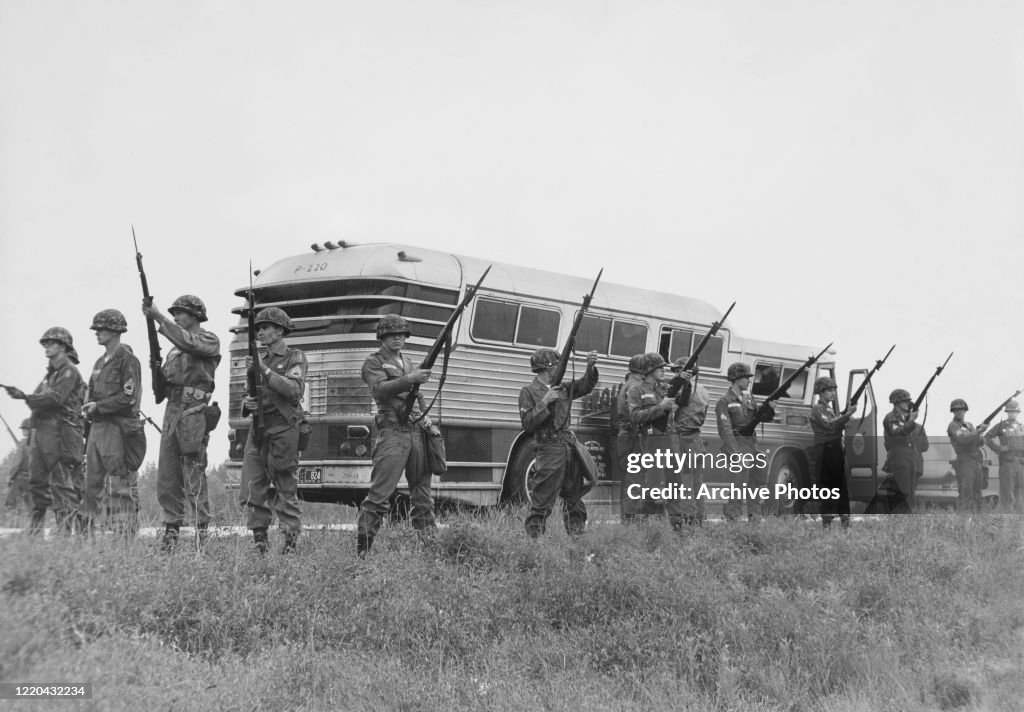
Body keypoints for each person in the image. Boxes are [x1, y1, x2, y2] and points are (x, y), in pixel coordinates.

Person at [356, 315, 441, 556]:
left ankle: (430, 551)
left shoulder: (408, 361)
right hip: (393, 431)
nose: (398, 338)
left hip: (416, 431)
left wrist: (425, 415)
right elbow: (380, 390)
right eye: (393, 334)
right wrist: (410, 379)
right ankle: (362, 553)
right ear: (382, 336)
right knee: (380, 495)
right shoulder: (373, 362)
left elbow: (418, 394)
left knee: (423, 497)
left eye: (402, 334)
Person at [142, 294, 221, 550]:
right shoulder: (175, 349)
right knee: (167, 476)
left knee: (194, 475)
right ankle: (170, 533)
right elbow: (166, 382)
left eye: (181, 312)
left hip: (193, 412)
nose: (176, 316)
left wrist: (159, 319)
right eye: (173, 313)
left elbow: (191, 344)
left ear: (196, 315)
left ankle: (202, 537)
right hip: (172, 412)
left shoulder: (208, 339)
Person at [3, 327, 86, 535]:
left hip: (60, 432)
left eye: (51, 343)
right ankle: (36, 528)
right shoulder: (51, 374)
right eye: (45, 344)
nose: (46, 348)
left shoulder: (69, 371)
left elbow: (55, 398)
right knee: (37, 481)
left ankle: (66, 531)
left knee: (61, 482)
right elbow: (38, 400)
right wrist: (29, 398)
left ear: (63, 346)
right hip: (42, 432)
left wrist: (26, 397)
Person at [239, 307, 308, 554]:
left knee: (285, 490)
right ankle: (260, 547)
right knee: (252, 490)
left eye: (266, 328)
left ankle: (289, 549)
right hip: (257, 430)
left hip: (283, 429)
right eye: (258, 328)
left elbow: (293, 391)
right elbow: (248, 394)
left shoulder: (294, 357)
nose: (261, 332)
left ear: (280, 331)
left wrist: (264, 370)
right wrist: (246, 405)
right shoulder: (258, 360)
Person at [517, 346, 599, 538]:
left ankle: (577, 538)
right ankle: (534, 540)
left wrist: (590, 367)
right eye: (557, 365)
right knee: (542, 498)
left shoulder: (563, 388)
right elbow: (528, 424)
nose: (559, 368)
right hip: (549, 448)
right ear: (547, 368)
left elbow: (585, 385)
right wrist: (545, 402)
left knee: (574, 496)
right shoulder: (528, 392)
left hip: (568, 445)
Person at [80, 310, 142, 537]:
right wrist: (89, 405)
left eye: (102, 329)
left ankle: (124, 539)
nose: (97, 333)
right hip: (96, 429)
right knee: (91, 484)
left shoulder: (128, 361)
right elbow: (91, 391)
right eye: (97, 329)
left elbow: (129, 397)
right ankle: (85, 539)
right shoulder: (98, 362)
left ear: (116, 331)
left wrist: (100, 406)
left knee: (119, 485)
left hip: (117, 429)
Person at [627, 353, 684, 529]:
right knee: (653, 488)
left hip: (671, 441)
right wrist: (661, 408)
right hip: (652, 441)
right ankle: (647, 527)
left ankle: (677, 527)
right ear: (649, 370)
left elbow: (684, 399)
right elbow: (635, 416)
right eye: (659, 367)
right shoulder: (636, 391)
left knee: (675, 486)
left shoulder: (665, 388)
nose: (663, 369)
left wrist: (685, 381)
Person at [716, 362, 771, 520]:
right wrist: (735, 454)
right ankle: (733, 520)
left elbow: (761, 418)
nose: (749, 380)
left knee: (755, 485)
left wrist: (769, 409)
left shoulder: (749, 400)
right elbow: (725, 431)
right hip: (738, 447)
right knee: (738, 487)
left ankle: (755, 519)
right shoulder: (724, 401)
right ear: (735, 379)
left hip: (752, 446)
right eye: (746, 377)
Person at [807, 377, 857, 528]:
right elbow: (829, 426)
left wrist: (845, 418)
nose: (833, 393)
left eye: (834, 390)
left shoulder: (829, 410)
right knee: (828, 486)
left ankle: (845, 520)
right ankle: (827, 522)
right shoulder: (817, 409)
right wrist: (846, 415)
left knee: (841, 485)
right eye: (829, 390)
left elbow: (837, 425)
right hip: (826, 450)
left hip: (835, 449)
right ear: (820, 392)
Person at [669, 360, 710, 526]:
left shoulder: (680, 389)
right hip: (696, 440)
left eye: (676, 371)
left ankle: (688, 519)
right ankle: (700, 518)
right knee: (697, 484)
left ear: (682, 371)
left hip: (682, 439)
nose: (674, 375)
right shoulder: (704, 391)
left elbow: (670, 413)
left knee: (684, 483)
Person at [873, 388, 923, 514]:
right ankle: (899, 517)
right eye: (904, 401)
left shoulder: (905, 418)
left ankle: (907, 519)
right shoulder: (890, 418)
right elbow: (897, 433)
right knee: (903, 490)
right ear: (896, 402)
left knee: (911, 490)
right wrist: (911, 421)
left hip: (910, 456)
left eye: (908, 401)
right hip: (898, 456)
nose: (908, 403)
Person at [616, 354, 645, 523]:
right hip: (633, 435)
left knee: (631, 476)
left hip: (627, 435)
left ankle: (628, 516)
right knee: (634, 477)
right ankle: (629, 518)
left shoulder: (628, 385)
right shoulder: (634, 388)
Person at [947, 399, 986, 513]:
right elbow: (963, 439)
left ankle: (978, 521)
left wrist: (980, 433)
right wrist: (978, 432)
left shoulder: (969, 425)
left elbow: (980, 442)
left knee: (978, 493)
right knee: (966, 492)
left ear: (965, 411)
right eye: (956, 410)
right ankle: (963, 521)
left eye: (961, 410)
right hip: (965, 461)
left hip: (976, 461)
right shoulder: (953, 426)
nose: (959, 412)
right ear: (953, 412)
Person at [984, 399, 1024, 512]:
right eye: (1010, 411)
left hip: (1021, 463)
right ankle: (1007, 519)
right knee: (1007, 490)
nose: (1012, 413)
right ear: (1007, 412)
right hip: (1008, 463)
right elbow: (986, 438)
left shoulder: (1022, 427)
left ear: (1018, 412)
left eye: (1014, 411)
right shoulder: (1001, 425)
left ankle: (1020, 521)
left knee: (1021, 490)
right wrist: (998, 449)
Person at [3, 420, 33, 513]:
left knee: (10, 501)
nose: (23, 431)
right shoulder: (36, 443)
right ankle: (35, 525)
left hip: (21, 477)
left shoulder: (23, 443)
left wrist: (10, 477)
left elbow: (17, 463)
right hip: (33, 477)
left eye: (25, 429)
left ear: (29, 430)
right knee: (30, 504)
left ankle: (14, 517)